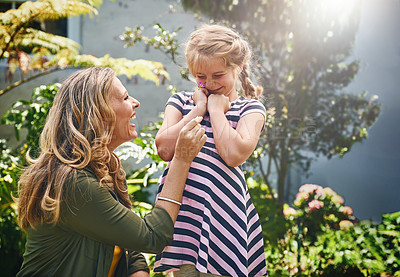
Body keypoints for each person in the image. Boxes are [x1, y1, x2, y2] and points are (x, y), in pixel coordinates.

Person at [15, 67, 207, 277]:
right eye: (125, 98)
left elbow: (125, 239)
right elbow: (152, 237)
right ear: (98, 113)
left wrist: (139, 271)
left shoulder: (102, 169)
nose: (135, 102)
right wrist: (181, 159)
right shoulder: (73, 182)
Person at [154, 24, 268, 277]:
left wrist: (216, 111)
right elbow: (164, 148)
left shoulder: (251, 110)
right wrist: (198, 110)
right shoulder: (181, 103)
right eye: (201, 77)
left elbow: (233, 154)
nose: (210, 83)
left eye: (218, 75)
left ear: (237, 68)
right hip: (183, 217)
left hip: (223, 218)